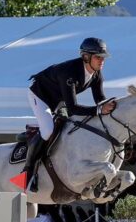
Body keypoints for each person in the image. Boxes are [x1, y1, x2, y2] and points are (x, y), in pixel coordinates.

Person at [24, 37, 117, 189]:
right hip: (40, 96)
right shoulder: (70, 73)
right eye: (98, 57)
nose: (102, 61)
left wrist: (111, 107)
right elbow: (73, 108)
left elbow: (99, 100)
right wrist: (99, 110)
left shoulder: (97, 74)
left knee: (68, 127)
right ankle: (27, 172)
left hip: (59, 100)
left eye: (103, 57)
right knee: (48, 131)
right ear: (86, 57)